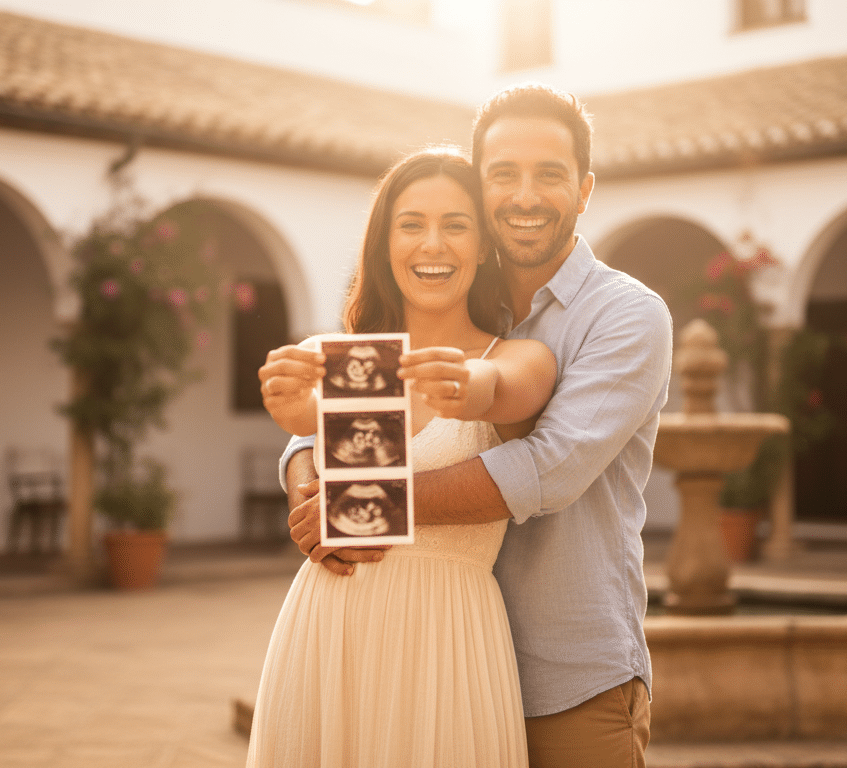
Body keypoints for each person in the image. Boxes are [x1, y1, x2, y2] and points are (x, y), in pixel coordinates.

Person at [280, 84, 673, 767]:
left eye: (549, 175)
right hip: (415, 656)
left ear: (583, 190)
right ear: (480, 190)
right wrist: (308, 494)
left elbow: (548, 468)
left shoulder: (625, 315)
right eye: (503, 174)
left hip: (567, 673)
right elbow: (321, 425)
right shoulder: (446, 301)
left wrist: (362, 506)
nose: (525, 196)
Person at [248, 147, 557, 767]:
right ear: (385, 245)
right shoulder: (342, 358)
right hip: (331, 623)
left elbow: (503, 389)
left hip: (449, 636)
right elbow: (309, 433)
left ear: (483, 246)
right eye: (411, 224)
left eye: (456, 225)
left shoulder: (518, 356)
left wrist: (468, 386)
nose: (432, 245)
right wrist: (295, 415)